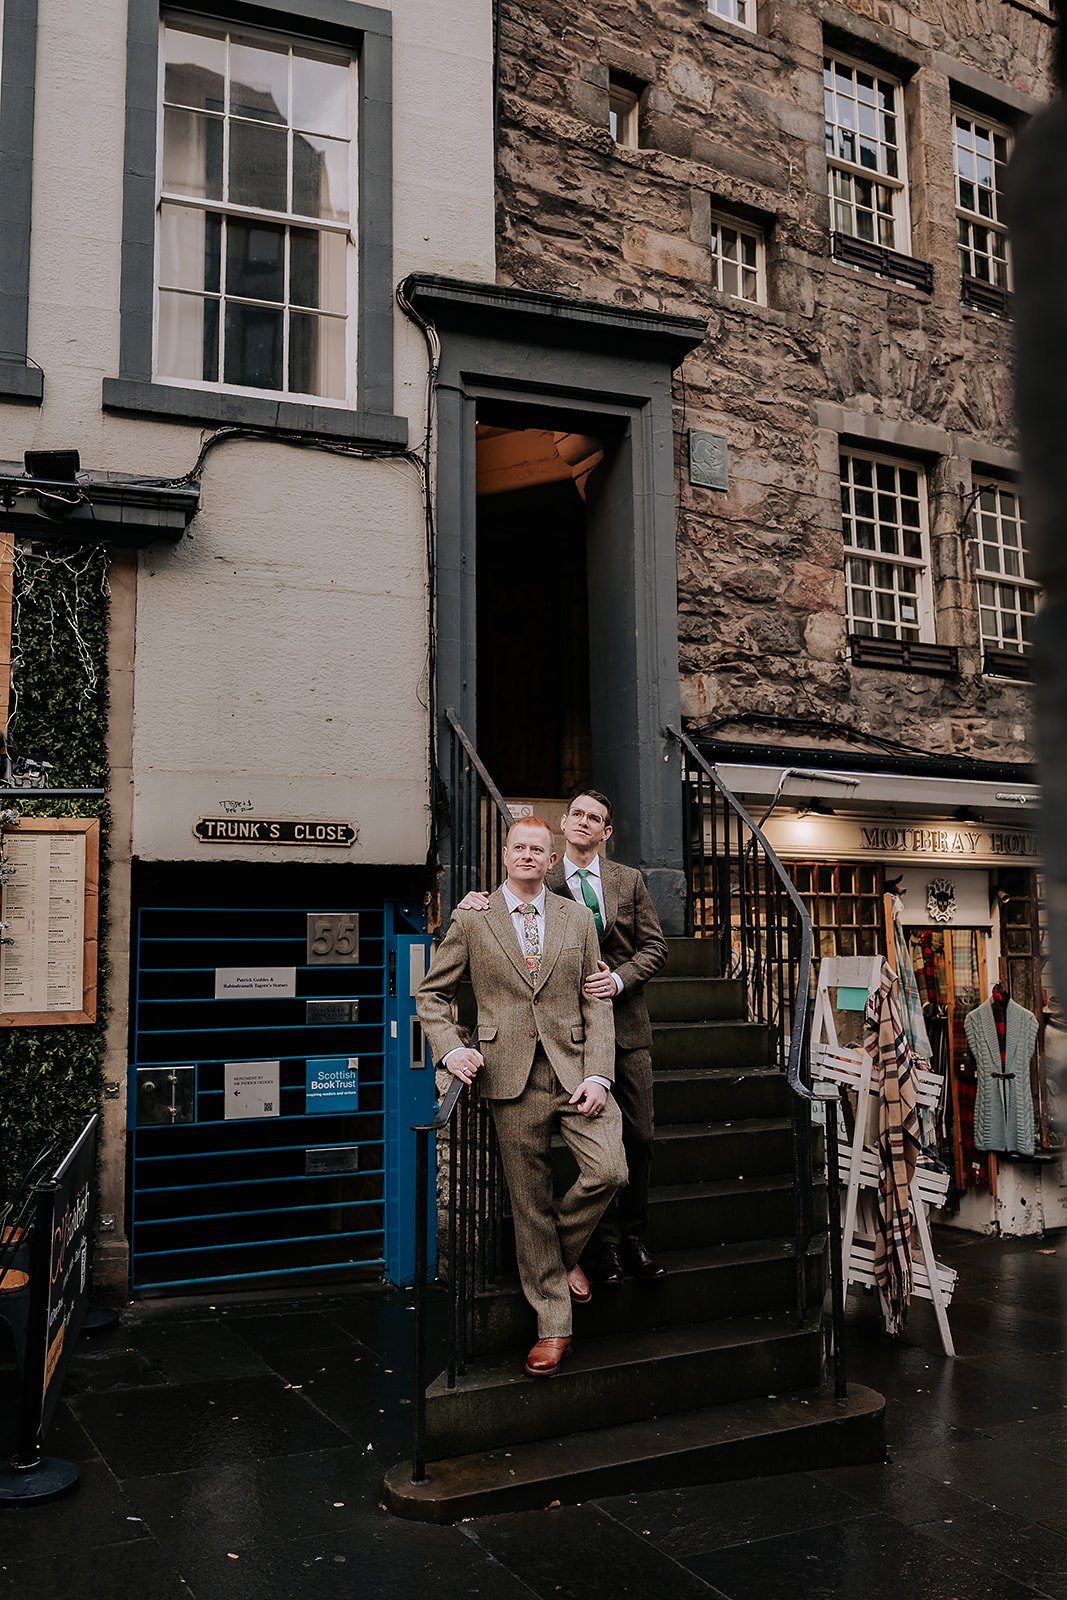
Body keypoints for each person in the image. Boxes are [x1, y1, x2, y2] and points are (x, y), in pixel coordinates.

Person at [417, 816, 627, 1378]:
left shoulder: (578, 919)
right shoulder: (472, 918)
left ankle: (555, 1258)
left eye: (539, 849)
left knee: (609, 1171)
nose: (529, 855)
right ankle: (553, 1327)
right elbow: (432, 995)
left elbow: (595, 1001)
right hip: (508, 1078)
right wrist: (448, 1051)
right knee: (528, 1203)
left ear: (552, 859)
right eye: (520, 847)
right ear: (504, 855)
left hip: (576, 1071)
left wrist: (600, 1074)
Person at [458, 790, 669, 1283]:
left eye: (594, 817)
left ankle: (633, 1235)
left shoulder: (627, 881)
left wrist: (617, 980)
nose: (583, 822)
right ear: (564, 824)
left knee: (636, 1136)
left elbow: (655, 947)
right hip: (560, 1033)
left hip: (623, 1025)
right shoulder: (544, 873)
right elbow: (510, 905)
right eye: (576, 814)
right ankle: (601, 1247)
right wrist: (474, 900)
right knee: (582, 1145)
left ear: (604, 832)